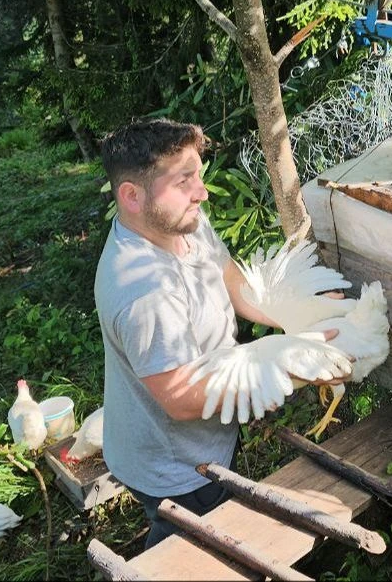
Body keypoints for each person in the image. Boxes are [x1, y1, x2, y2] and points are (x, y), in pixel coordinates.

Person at [95, 117, 344, 550]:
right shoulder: (144, 290)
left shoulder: (180, 222)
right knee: (193, 545)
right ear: (132, 196)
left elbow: (229, 278)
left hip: (200, 441)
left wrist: (300, 316)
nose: (202, 192)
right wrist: (290, 366)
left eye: (199, 175)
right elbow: (182, 398)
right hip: (174, 464)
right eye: (184, 181)